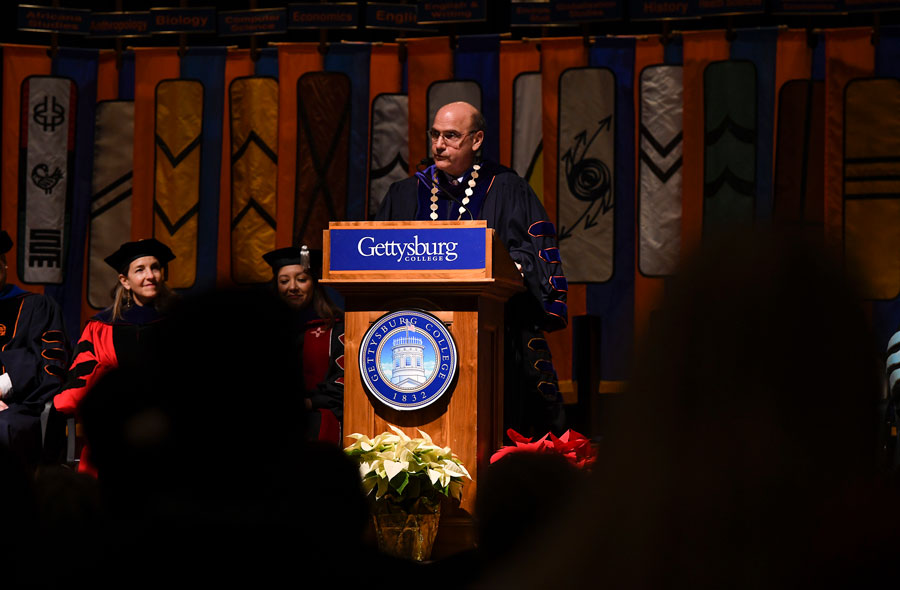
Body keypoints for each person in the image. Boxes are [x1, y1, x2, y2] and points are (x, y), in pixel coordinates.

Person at [376, 101, 568, 436]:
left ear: (476, 140)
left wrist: (515, 267)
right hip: (416, 337)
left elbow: (533, 254)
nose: (438, 144)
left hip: (497, 339)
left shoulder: (507, 188)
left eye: (451, 136)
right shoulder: (405, 194)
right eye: (434, 135)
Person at [53, 238, 175, 473]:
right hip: (115, 424)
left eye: (155, 267)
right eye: (140, 269)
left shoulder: (180, 322)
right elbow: (83, 375)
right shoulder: (101, 327)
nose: (150, 275)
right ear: (125, 281)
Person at [0, 230, 69, 469]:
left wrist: (6, 386)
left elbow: (50, 363)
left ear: (4, 265)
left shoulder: (36, 306)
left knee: (5, 426)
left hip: (20, 404)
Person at [263, 245, 344, 442]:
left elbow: (342, 382)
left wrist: (308, 402)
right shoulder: (263, 329)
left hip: (317, 423)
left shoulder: (336, 329)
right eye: (284, 281)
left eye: (301, 279)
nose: (292, 287)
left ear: (314, 284)